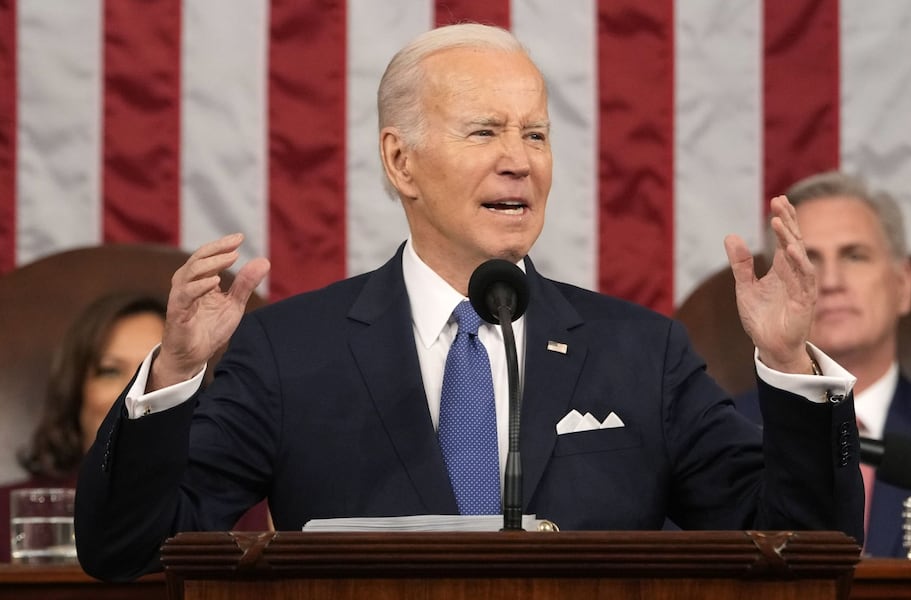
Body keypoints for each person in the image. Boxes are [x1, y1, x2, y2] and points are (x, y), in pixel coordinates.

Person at [75, 24, 863, 581]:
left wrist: (789, 364)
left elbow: (803, 550)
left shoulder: (640, 352)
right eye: (485, 132)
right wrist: (176, 370)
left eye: (538, 135)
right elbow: (129, 551)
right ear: (401, 162)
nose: (519, 162)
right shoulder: (291, 353)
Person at [734, 170, 911, 557]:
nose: (830, 281)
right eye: (808, 258)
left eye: (855, 255)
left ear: (903, 285)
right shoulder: (723, 436)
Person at [0, 292, 166, 562]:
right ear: (75, 392)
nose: (131, 392)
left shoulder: (238, 510)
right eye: (110, 371)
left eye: (154, 371)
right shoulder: (6, 513)